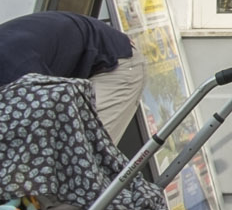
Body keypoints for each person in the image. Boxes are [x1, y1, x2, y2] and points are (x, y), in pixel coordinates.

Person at [0, 11, 145, 142]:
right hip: (78, 68)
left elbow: (46, 114)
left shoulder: (15, 70)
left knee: (79, 150)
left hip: (116, 66)